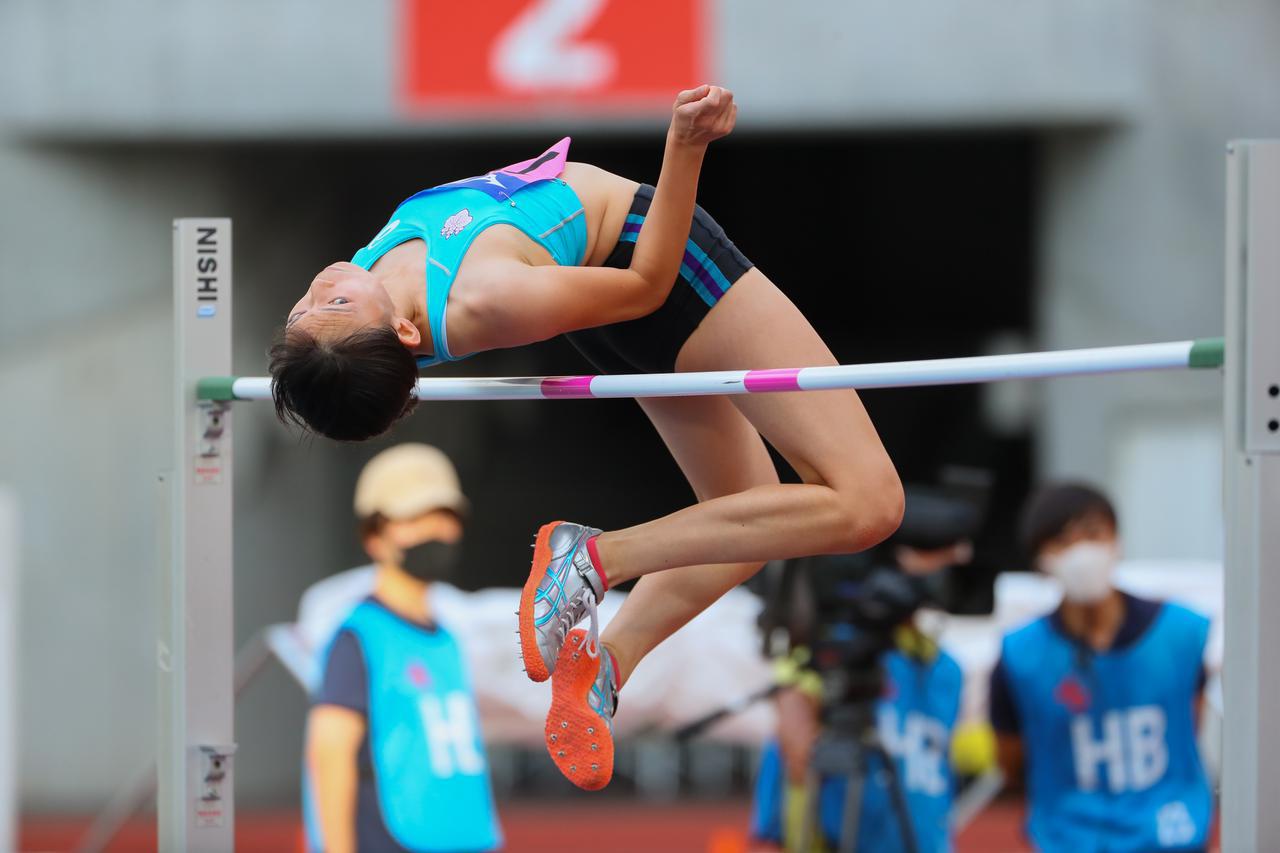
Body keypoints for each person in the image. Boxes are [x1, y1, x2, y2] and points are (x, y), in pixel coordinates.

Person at [270, 84, 904, 790]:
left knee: (745, 524)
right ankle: (595, 559)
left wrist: (320, 332)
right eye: (333, 303)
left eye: (302, 310)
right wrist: (685, 146)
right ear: (402, 333)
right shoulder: (482, 297)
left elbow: (338, 362)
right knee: (870, 504)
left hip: (605, 304)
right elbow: (647, 284)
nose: (318, 289)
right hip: (659, 266)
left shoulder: (364, 312)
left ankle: (606, 664)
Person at [988, 482, 1212, 852]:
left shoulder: (1181, 632)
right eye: (1062, 541)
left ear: (1116, 539)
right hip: (1070, 840)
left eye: (1092, 533)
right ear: (1040, 558)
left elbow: (1190, 722)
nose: (1081, 552)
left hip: (1171, 836)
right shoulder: (1020, 654)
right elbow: (1011, 762)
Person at [748, 493, 973, 852]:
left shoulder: (944, 669)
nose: (943, 578)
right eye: (937, 559)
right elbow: (797, 758)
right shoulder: (827, 656)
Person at [304, 444, 501, 853]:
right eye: (413, 519)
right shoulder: (358, 638)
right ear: (374, 536)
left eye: (443, 516)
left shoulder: (448, 638)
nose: (433, 531)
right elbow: (330, 755)